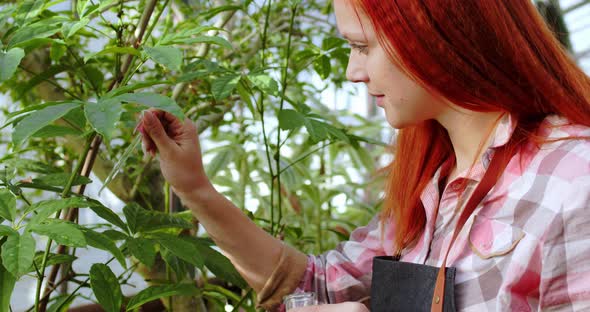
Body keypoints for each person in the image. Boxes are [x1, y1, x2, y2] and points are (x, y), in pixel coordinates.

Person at [138, 0, 590, 311]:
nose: (354, 72)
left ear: (433, 34)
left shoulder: (573, 180)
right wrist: (194, 187)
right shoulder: (436, 180)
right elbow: (319, 286)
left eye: (361, 47)